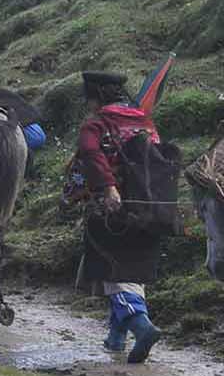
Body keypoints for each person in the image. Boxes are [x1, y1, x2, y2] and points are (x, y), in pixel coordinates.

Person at [70, 71, 164, 364]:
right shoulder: (146, 124)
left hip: (112, 208)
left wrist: (108, 187)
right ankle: (116, 337)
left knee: (112, 269)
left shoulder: (96, 125)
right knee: (131, 270)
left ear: (96, 97)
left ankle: (141, 327)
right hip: (151, 206)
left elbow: (89, 152)